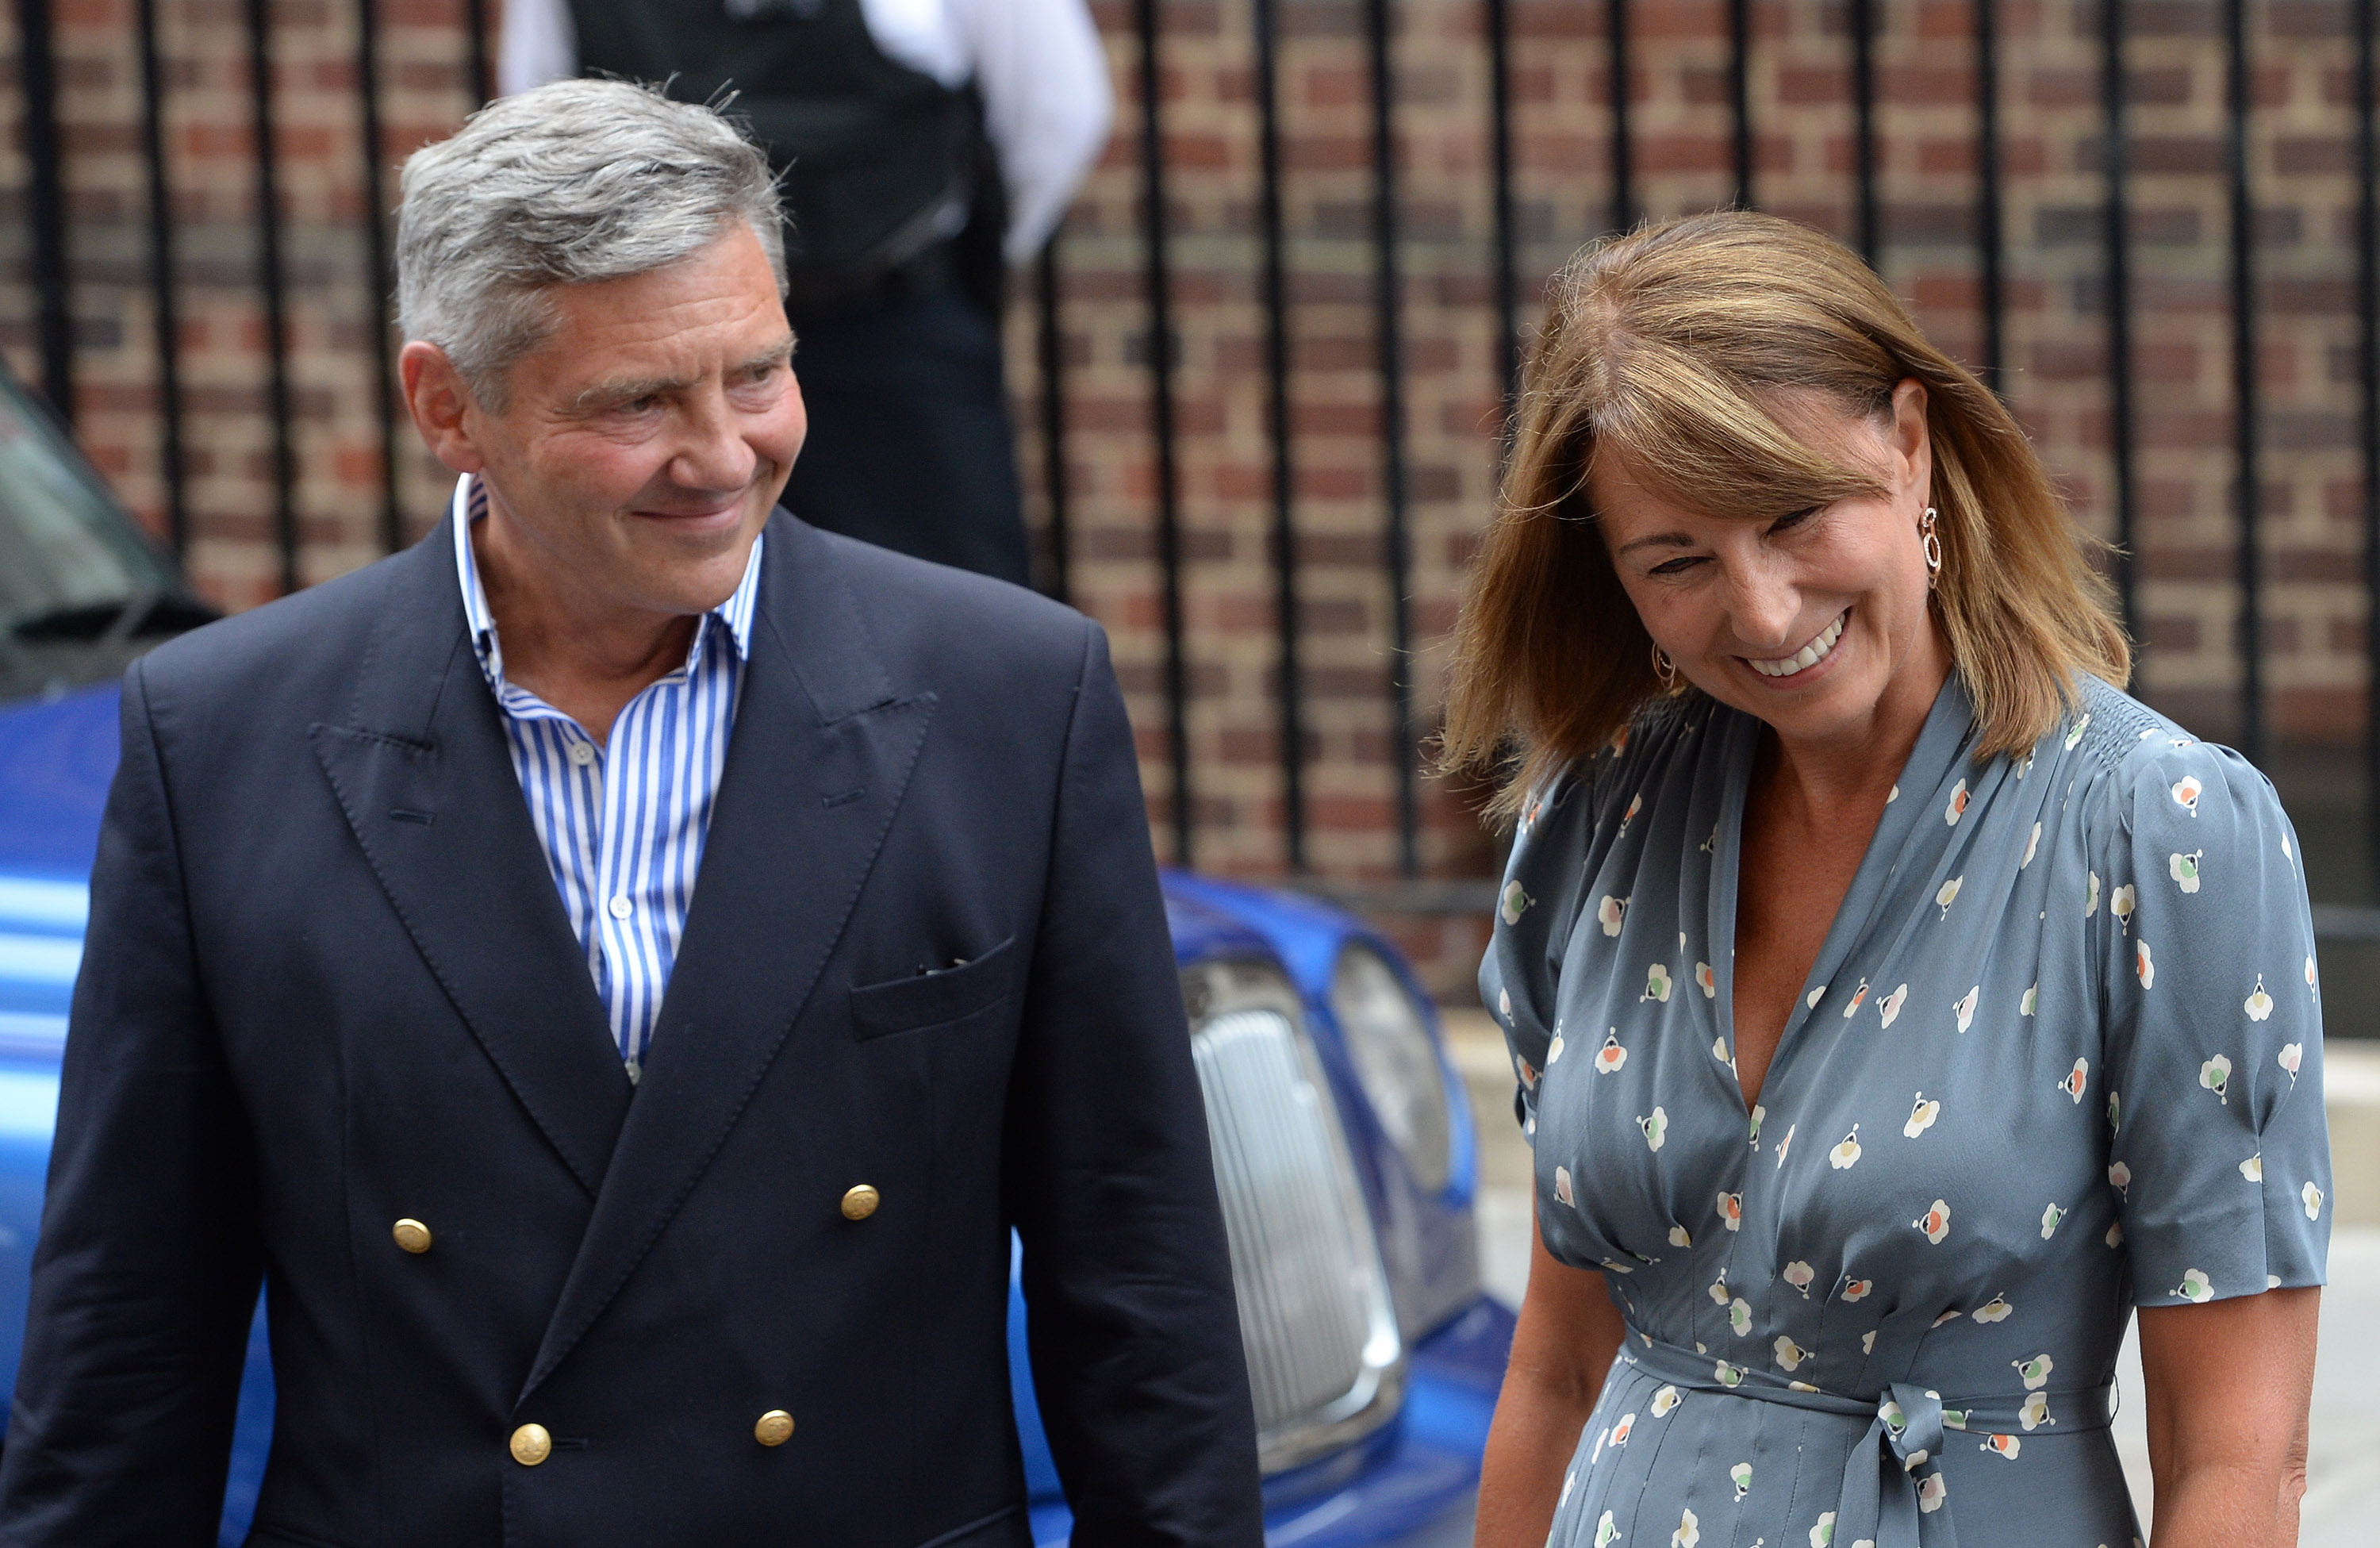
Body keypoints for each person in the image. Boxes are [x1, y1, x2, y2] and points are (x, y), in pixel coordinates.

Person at [0, 80, 1261, 1545]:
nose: (723, 457)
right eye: (638, 403)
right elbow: (127, 1349)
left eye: (756, 375)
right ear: (446, 405)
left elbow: (1143, 1294)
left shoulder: (1009, 698)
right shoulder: (220, 737)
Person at [1441, 211, 2330, 1548]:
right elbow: (1557, 1369)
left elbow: (2238, 1468)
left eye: (1794, 517)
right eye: (1677, 561)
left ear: (1910, 445)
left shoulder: (2157, 831)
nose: (1762, 611)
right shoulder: (1595, 817)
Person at [501, 0, 1113, 588]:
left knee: (956, 632)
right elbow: (543, 146)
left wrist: (950, 252)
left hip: (894, 341)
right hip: (662, 359)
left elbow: (1057, 110)